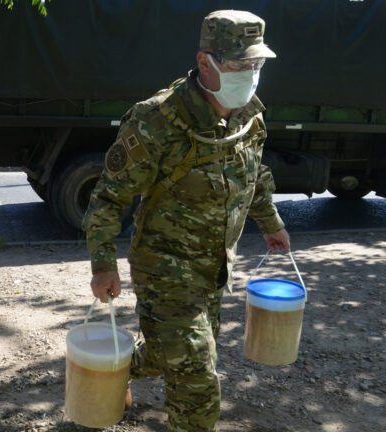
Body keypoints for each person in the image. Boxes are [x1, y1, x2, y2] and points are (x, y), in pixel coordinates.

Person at [83, 10, 291, 432]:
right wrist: (103, 263)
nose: (250, 74)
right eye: (238, 65)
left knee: (167, 355)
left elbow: (255, 174)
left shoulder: (249, 113)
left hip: (215, 268)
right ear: (205, 62)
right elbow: (107, 198)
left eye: (257, 64)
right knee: (198, 382)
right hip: (165, 270)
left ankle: (111, 368)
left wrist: (270, 222)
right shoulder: (156, 120)